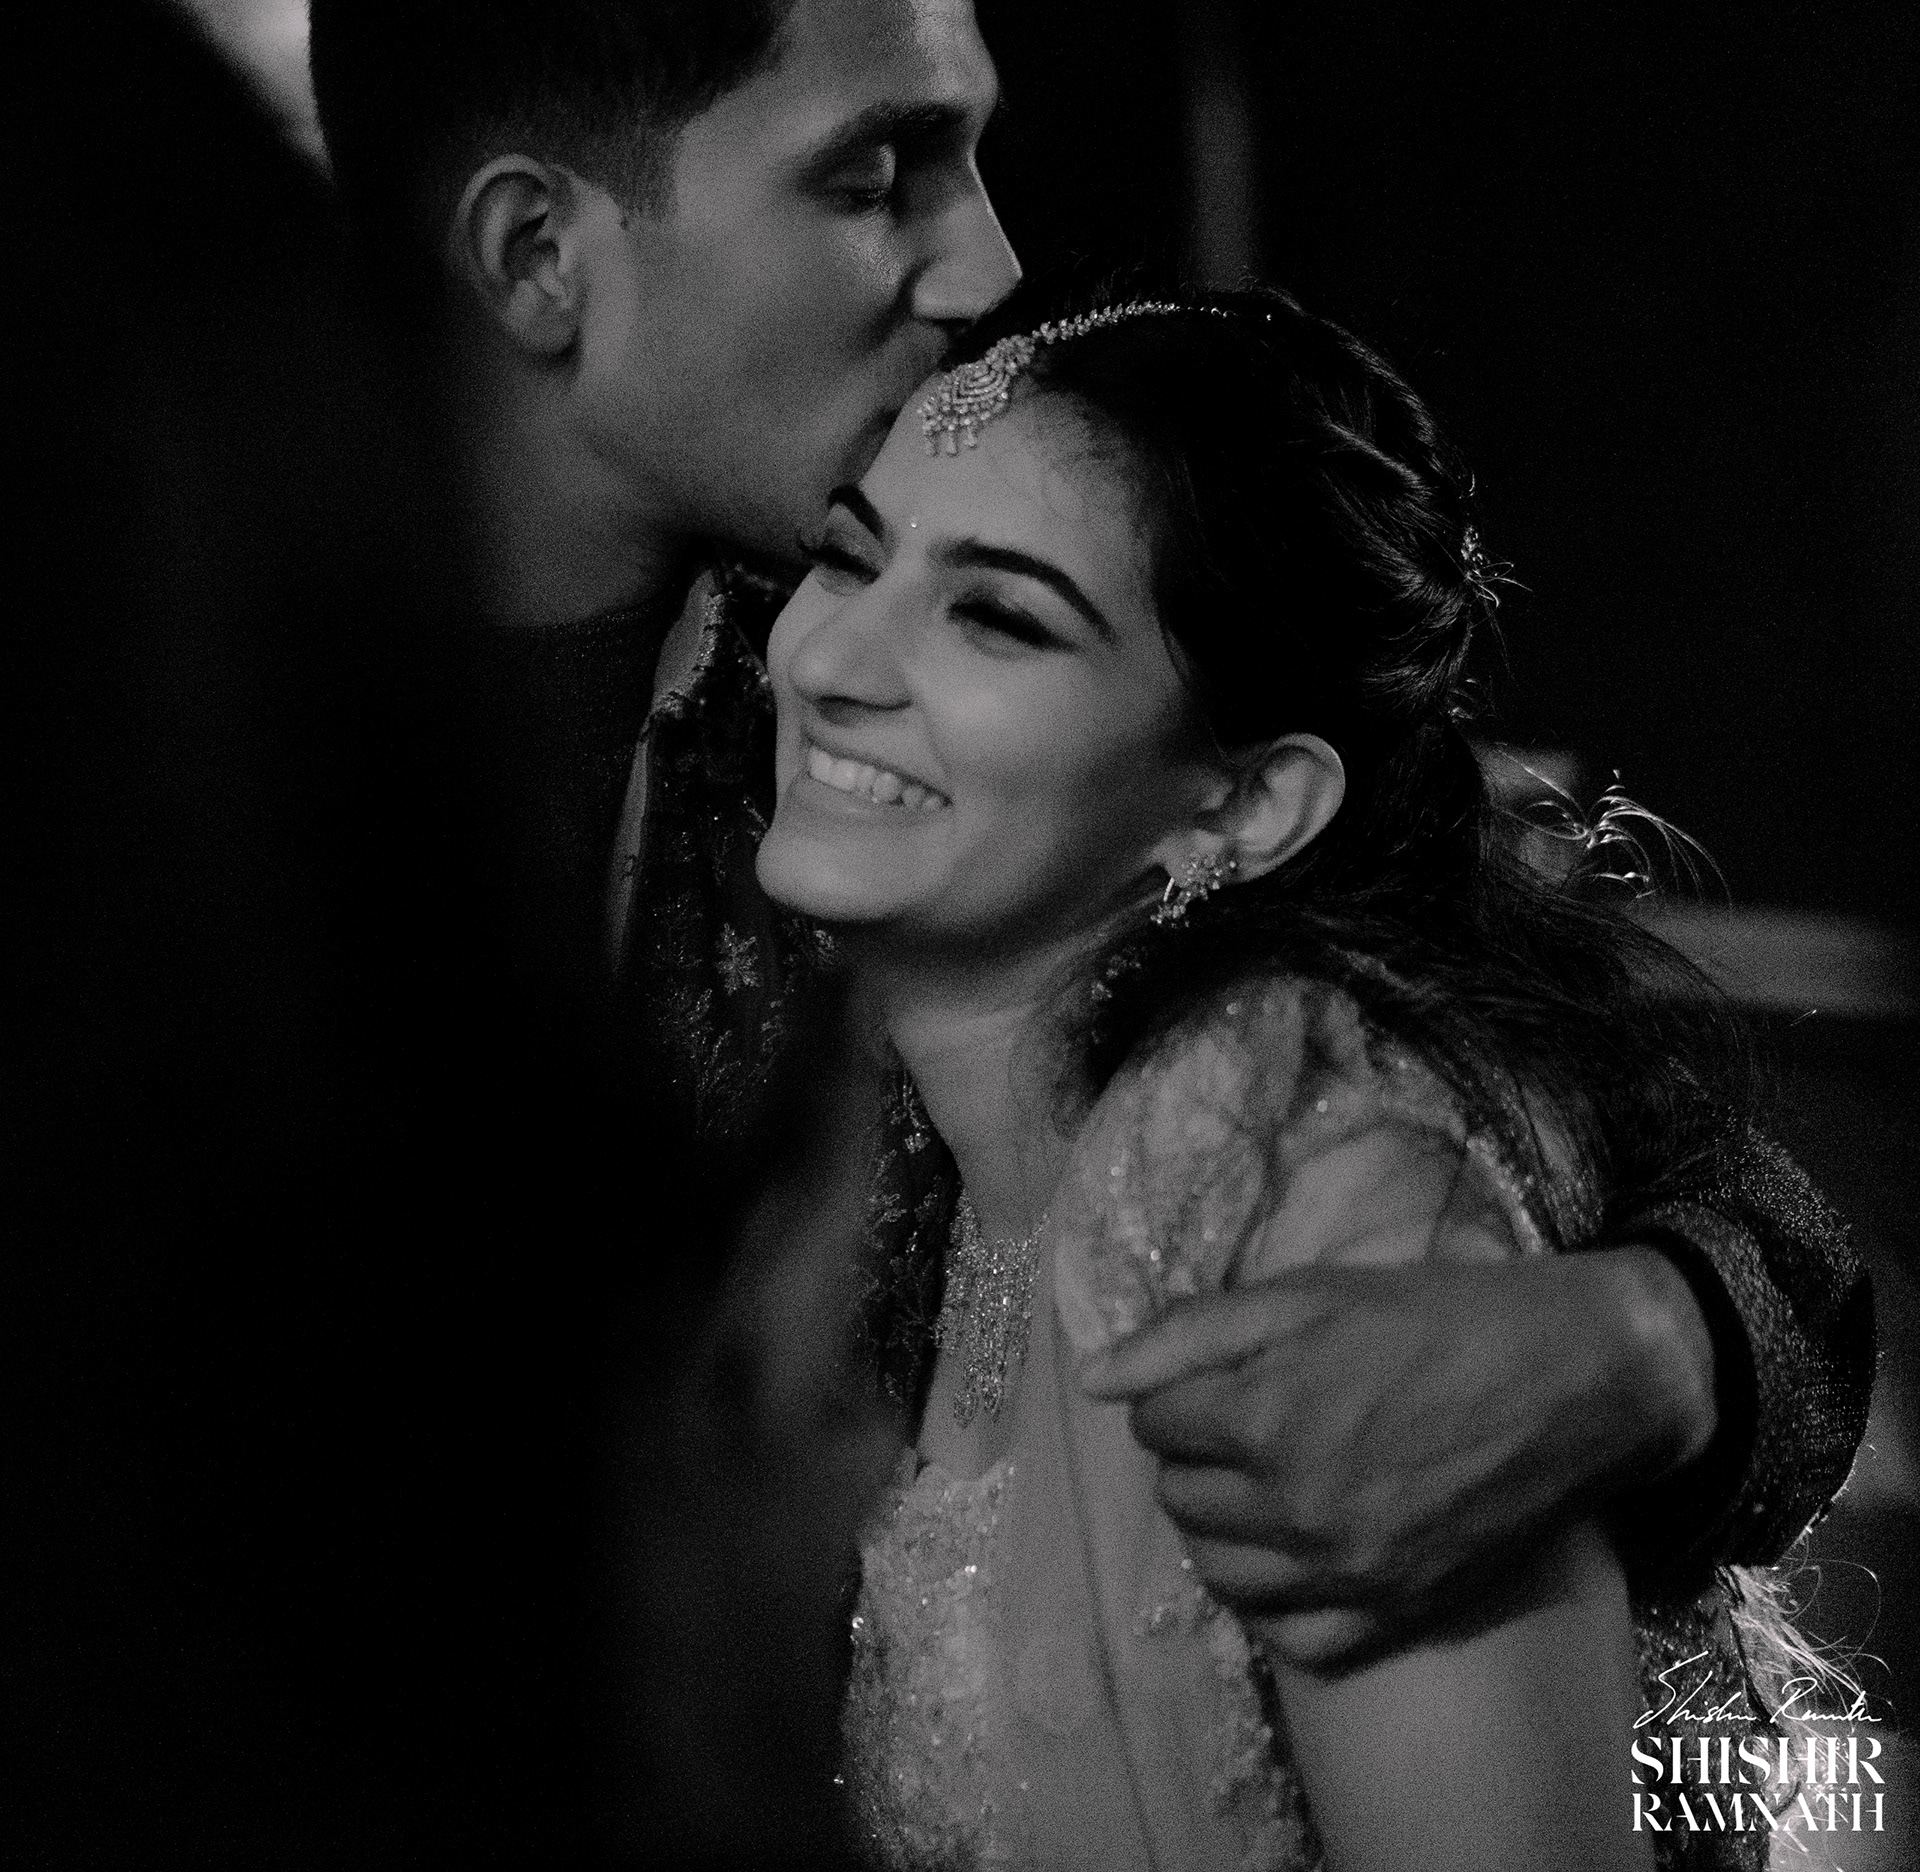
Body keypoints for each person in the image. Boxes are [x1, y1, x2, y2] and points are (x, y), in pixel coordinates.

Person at [302, 0, 1869, 1702]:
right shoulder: (177, 726)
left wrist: (1646, 1347)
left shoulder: (926, 640)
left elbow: (1737, 1205)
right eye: (882, 170)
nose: (992, 258)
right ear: (537, 256)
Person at [754, 283, 1837, 1870]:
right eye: (850, 555)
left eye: (997, 614)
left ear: (1242, 808)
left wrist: (1665, 1331)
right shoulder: (898, 1136)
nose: (831, 655)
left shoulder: (1289, 1169)